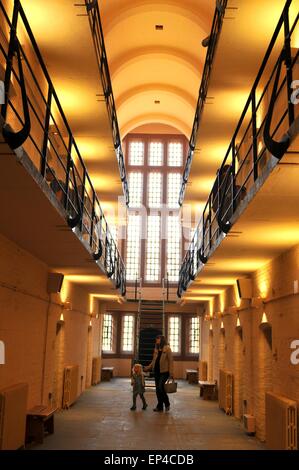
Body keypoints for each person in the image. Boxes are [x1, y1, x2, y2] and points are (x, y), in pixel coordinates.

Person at [144, 335, 173, 412]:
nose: (156, 340)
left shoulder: (167, 349)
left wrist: (171, 373)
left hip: (164, 372)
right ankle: (160, 406)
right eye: (156, 338)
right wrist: (149, 367)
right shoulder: (156, 349)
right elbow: (154, 361)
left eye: (158, 338)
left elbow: (171, 361)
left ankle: (167, 403)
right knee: (157, 389)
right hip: (157, 371)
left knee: (160, 387)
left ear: (162, 340)